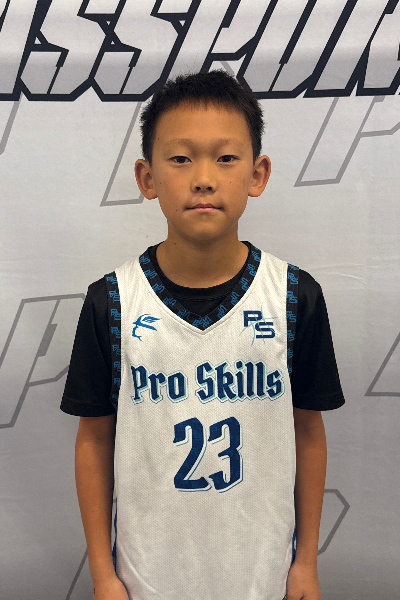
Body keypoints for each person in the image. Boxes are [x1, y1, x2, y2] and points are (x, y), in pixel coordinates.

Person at [61, 70, 345, 600]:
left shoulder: (294, 296)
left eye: (226, 157)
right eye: (181, 158)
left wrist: (305, 561)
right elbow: (94, 440)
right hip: (146, 579)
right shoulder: (112, 301)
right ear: (147, 177)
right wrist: (102, 574)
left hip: (262, 576)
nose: (204, 178)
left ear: (258, 174)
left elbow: (308, 432)